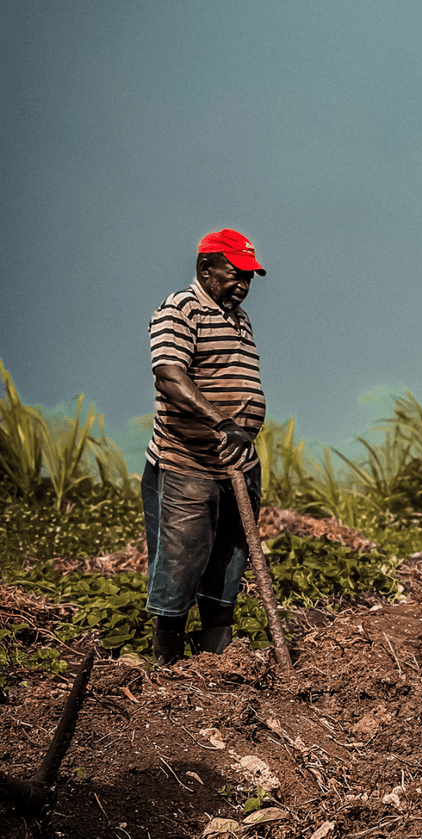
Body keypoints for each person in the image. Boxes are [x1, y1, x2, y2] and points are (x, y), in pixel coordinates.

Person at [142, 229, 267, 664]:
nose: (244, 284)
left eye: (250, 277)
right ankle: (169, 668)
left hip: (237, 464)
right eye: (236, 273)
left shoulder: (239, 319)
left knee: (229, 561)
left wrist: (242, 436)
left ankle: (219, 662)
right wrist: (222, 423)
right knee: (180, 562)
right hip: (187, 463)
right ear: (205, 268)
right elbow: (171, 378)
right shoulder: (180, 310)